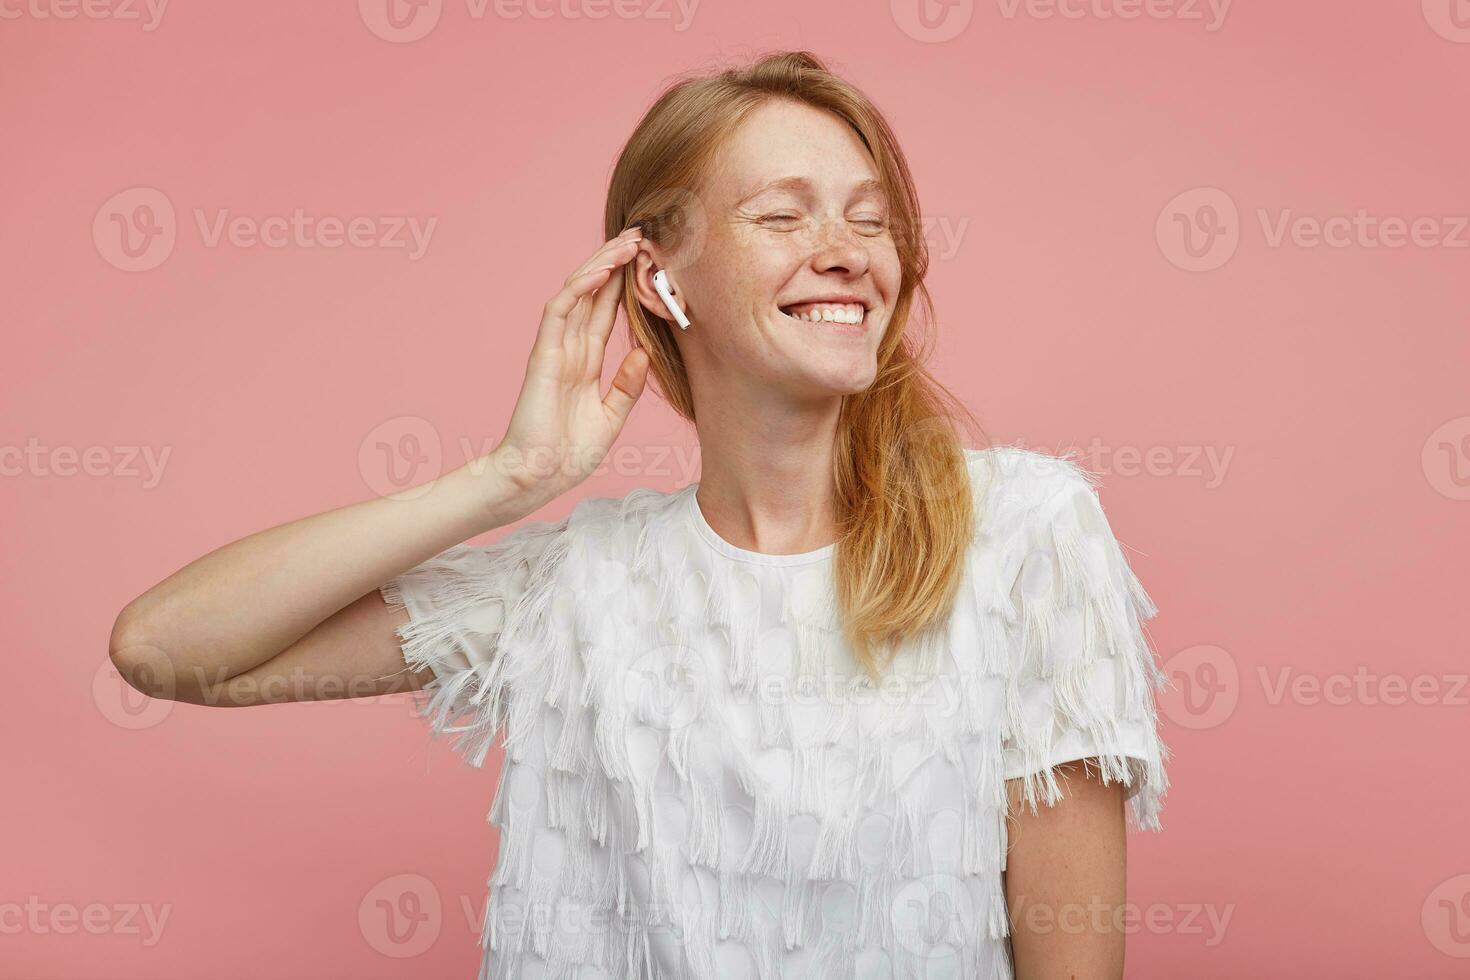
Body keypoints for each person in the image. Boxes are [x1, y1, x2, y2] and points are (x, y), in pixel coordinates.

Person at [111, 50, 1170, 980]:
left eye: (870, 215)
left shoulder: (1027, 533)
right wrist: (508, 475)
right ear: (661, 281)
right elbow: (169, 649)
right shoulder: (574, 585)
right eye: (784, 213)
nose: (848, 248)